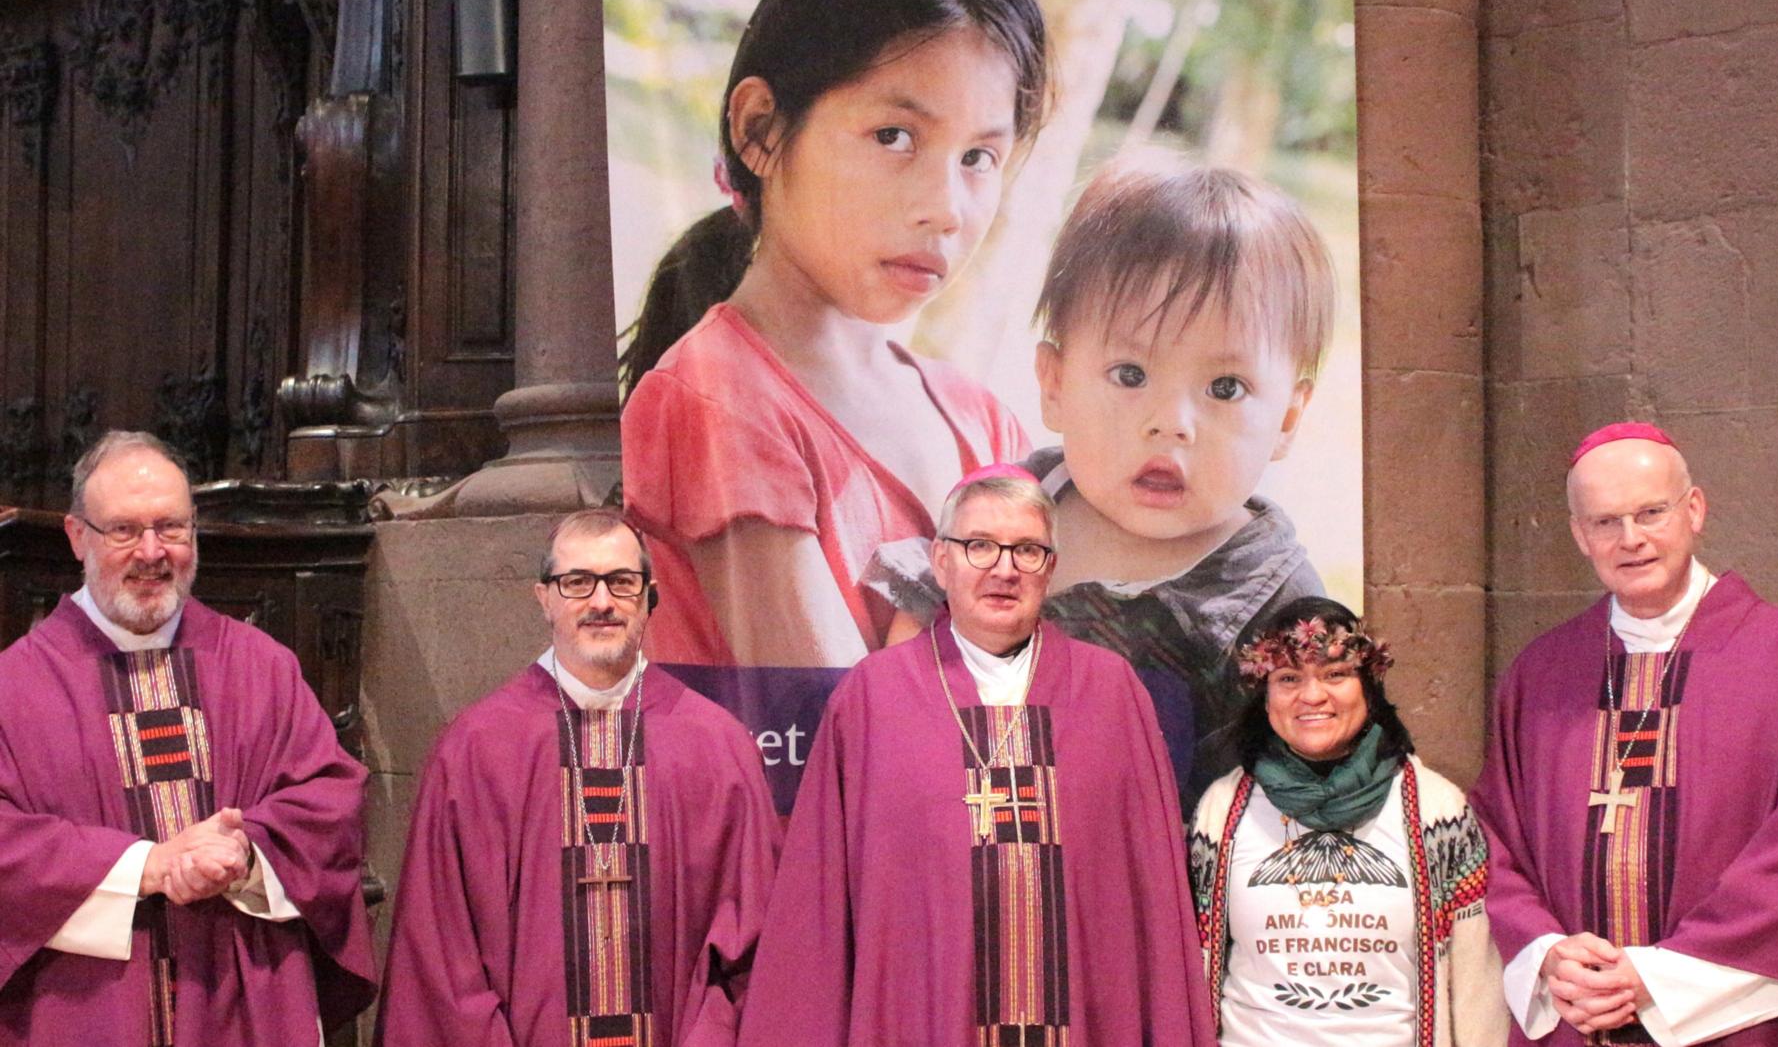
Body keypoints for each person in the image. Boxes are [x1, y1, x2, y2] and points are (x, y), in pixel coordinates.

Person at [619, 0, 1050, 668]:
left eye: (979, 157)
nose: (945, 209)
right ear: (759, 128)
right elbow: (826, 741)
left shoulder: (984, 425)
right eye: (894, 137)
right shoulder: (721, 398)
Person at [867, 152, 1332, 809]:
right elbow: (910, 633)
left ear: (1286, 418)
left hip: (1139, 892)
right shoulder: (1004, 507)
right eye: (1130, 375)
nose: (1170, 423)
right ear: (1054, 382)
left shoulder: (1277, 612)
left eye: (1224, 387)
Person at [737, 469, 1215, 1046]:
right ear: (941, 561)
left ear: (1051, 568)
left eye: (1028, 550)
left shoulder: (1110, 693)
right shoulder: (873, 698)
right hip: (923, 1016)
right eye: (980, 546)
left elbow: (1150, 901)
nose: (1004, 568)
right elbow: (818, 906)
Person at [1469, 422, 1778, 1047]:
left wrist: (1656, 978)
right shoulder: (1541, 673)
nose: (1631, 539)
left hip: (1741, 1018)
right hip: (1578, 1014)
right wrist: (1548, 951)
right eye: (1605, 521)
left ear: (1694, 510)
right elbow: (1494, 841)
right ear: (1578, 535)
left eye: (1651, 512)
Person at [0, 430, 375, 1043]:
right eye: (123, 530)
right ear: (76, 537)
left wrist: (246, 854)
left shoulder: (260, 665)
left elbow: (329, 804)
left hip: (245, 993)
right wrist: (145, 866)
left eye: (172, 528)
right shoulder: (14, 686)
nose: (152, 552)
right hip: (85, 1009)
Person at [376, 509, 780, 1047]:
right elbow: (440, 957)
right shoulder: (476, 751)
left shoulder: (717, 747)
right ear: (543, 597)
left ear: (649, 597)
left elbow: (754, 951)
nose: (602, 602)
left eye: (622, 582)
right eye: (577, 583)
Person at [1190, 597, 1507, 1047]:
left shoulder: (1437, 809)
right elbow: (1197, 965)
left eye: (1335, 674)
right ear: (1265, 697)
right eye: (1288, 679)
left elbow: (1478, 978)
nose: (1312, 695)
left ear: (1368, 687)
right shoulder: (1222, 809)